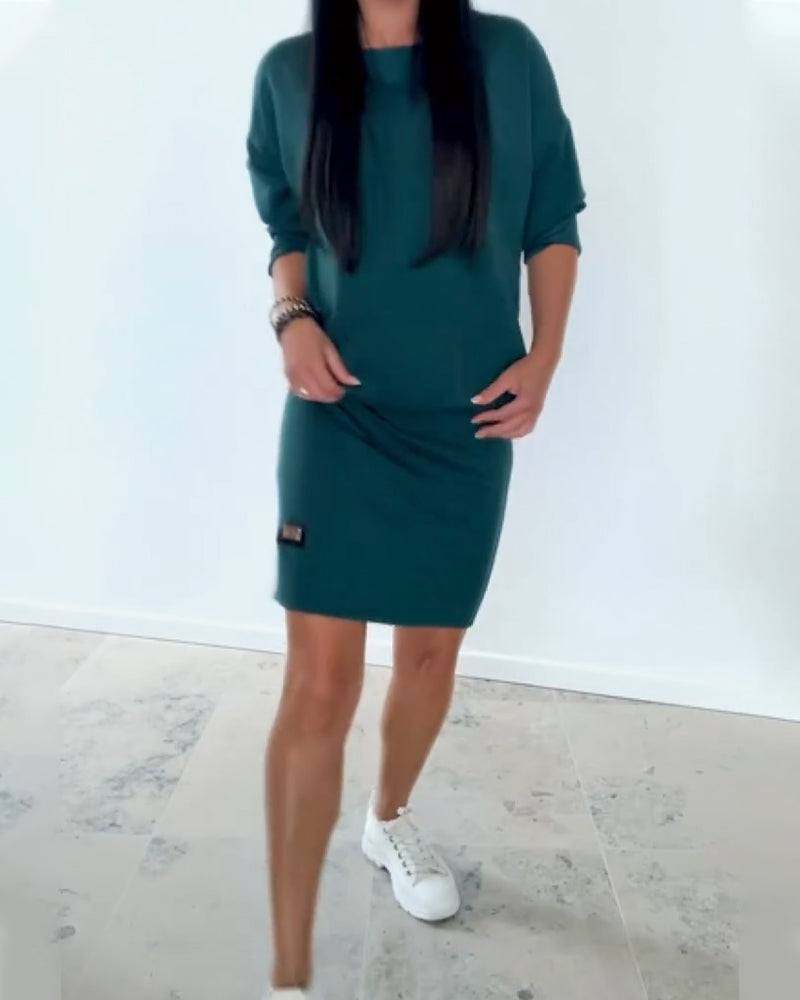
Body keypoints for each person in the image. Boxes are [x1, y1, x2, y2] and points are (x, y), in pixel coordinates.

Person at [246, 0, 585, 996]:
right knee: (319, 683)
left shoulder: (505, 56)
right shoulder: (290, 71)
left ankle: (387, 818)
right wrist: (291, 317)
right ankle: (290, 955)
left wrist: (544, 359)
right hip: (338, 411)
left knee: (429, 651)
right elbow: (286, 222)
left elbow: (550, 220)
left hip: (465, 418)